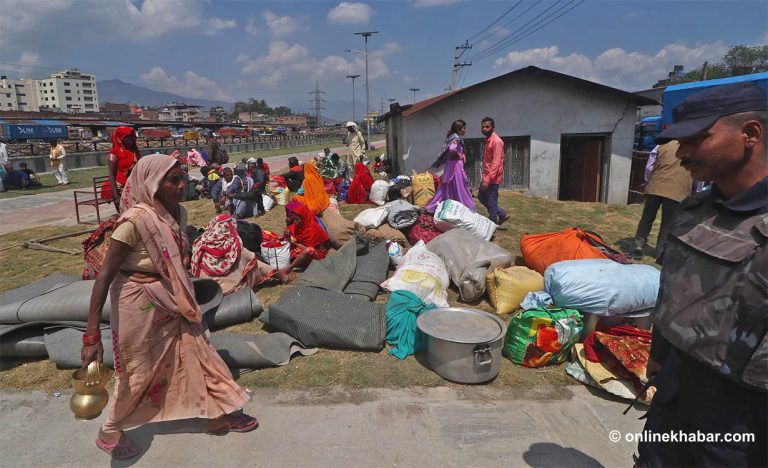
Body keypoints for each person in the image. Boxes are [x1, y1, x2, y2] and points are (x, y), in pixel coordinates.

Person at [81, 155, 257, 461]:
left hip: (174, 295)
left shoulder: (181, 212)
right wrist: (91, 334)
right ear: (152, 184)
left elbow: (177, 252)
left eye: (182, 179)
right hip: (140, 302)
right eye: (173, 180)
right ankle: (110, 430)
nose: (181, 185)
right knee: (140, 369)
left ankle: (216, 413)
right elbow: (104, 277)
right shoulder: (134, 222)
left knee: (197, 351)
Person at [636, 82, 767, 467]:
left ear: (751, 134)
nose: (683, 153)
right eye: (680, 142)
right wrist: (659, 354)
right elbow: (673, 286)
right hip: (676, 391)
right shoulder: (695, 209)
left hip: (744, 417)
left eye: (696, 139)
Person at [630, 140, 692, 259]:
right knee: (667, 223)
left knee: (647, 217)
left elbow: (649, 167)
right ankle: (660, 252)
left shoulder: (662, 145)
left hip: (656, 185)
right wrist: (695, 191)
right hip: (678, 190)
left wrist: (650, 180)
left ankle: (639, 245)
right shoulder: (694, 148)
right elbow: (697, 176)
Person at [190, 214, 281, 294]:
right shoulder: (234, 250)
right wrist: (282, 275)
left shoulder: (199, 247)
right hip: (232, 291)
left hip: (210, 293)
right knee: (252, 264)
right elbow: (259, 265)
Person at [426, 119, 476, 214]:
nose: (465, 130)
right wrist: (459, 155)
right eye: (464, 128)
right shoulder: (456, 139)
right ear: (459, 129)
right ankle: (468, 209)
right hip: (455, 167)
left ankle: (432, 207)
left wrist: (462, 153)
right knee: (461, 187)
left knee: (446, 188)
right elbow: (452, 149)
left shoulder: (451, 137)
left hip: (450, 167)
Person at [281, 200, 331, 275]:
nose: (295, 222)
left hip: (316, 255)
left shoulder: (314, 228)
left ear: (303, 218)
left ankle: (290, 268)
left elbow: (310, 249)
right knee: (284, 245)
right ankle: (298, 261)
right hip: (302, 251)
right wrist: (287, 236)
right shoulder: (296, 227)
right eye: (293, 220)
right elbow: (287, 240)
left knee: (309, 250)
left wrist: (295, 244)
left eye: (297, 220)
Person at [478, 117, 508, 225]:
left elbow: (496, 163)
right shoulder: (488, 140)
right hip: (487, 176)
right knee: (481, 197)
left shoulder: (497, 141)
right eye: (483, 127)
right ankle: (502, 214)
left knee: (491, 201)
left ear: (493, 127)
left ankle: (492, 226)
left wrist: (488, 179)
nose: (484, 129)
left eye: (487, 127)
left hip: (492, 178)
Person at [105, 126, 142, 211]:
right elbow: (111, 175)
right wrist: (115, 197)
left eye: (131, 137)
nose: (130, 140)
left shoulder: (134, 152)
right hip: (120, 185)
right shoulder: (113, 154)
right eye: (127, 137)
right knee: (126, 211)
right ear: (120, 138)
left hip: (134, 185)